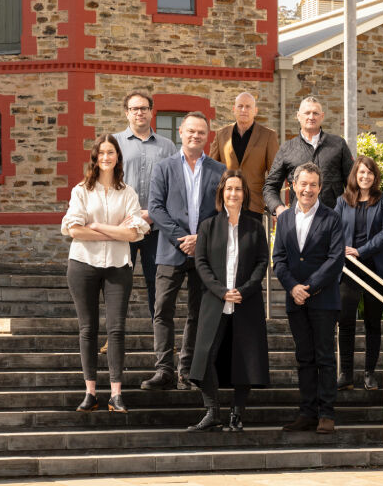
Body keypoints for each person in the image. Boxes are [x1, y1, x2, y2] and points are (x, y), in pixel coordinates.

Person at [61, 134, 149, 413]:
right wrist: (115, 231)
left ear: (117, 157)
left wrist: (97, 226)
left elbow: (135, 233)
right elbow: (73, 229)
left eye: (111, 152)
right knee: (88, 329)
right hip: (83, 265)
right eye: (102, 153)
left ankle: (115, 394)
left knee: (117, 329)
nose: (106, 157)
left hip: (118, 266)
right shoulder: (81, 191)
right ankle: (90, 393)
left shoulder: (128, 193)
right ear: (95, 158)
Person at [142, 112, 226, 390]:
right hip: (170, 250)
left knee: (197, 312)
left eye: (201, 132)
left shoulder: (218, 170)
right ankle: (163, 370)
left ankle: (187, 370)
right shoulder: (164, 167)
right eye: (190, 131)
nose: (195, 136)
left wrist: (200, 238)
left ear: (207, 135)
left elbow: (222, 211)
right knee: (162, 310)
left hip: (204, 254)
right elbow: (155, 208)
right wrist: (181, 238)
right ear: (181, 132)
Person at [187, 169, 270, 432]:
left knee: (245, 356)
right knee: (206, 355)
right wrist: (221, 290)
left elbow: (261, 262)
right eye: (229, 189)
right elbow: (201, 263)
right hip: (215, 301)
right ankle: (213, 411)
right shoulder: (208, 226)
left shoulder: (255, 228)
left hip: (247, 301)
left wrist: (244, 290)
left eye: (238, 189)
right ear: (222, 193)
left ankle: (237, 413)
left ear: (244, 195)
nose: (233, 193)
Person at [272, 162, 344, 434]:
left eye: (313, 184)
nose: (308, 189)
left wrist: (309, 286)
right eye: (303, 184)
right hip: (296, 301)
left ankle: (326, 414)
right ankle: (307, 413)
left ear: (320, 187)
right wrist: (293, 288)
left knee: (325, 357)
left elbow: (335, 259)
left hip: (324, 300)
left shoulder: (332, 218)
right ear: (293, 185)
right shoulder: (286, 218)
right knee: (304, 357)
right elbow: (278, 258)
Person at [113, 90, 177, 321]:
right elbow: (105, 182)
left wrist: (153, 214)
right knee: (118, 285)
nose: (139, 112)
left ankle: (161, 340)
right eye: (134, 109)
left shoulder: (167, 147)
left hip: (154, 228)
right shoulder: (114, 143)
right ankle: (114, 335)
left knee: (156, 283)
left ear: (151, 112)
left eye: (143, 108)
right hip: (122, 227)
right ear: (126, 113)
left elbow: (174, 186)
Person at [334, 155, 383, 392]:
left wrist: (360, 251)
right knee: (346, 321)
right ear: (354, 175)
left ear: (375, 176)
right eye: (361, 172)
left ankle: (370, 373)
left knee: (372, 322)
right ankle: (346, 373)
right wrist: (346, 253)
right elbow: (334, 231)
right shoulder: (342, 201)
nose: (365, 176)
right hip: (348, 269)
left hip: (376, 269)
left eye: (369, 172)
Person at [263, 96, 353, 217]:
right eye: (307, 113)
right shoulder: (287, 149)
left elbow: (353, 184)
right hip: (299, 219)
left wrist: (350, 213)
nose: (311, 117)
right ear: (298, 116)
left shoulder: (338, 144)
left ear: (322, 116)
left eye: (315, 113)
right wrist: (278, 208)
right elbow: (270, 186)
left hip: (334, 219)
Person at [209, 92, 279, 222]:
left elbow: (274, 174)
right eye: (240, 106)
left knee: (250, 242)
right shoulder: (221, 135)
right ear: (234, 109)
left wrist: (274, 204)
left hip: (254, 205)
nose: (244, 110)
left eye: (248, 107)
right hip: (226, 204)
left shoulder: (268, 136)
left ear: (255, 111)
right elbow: (211, 170)